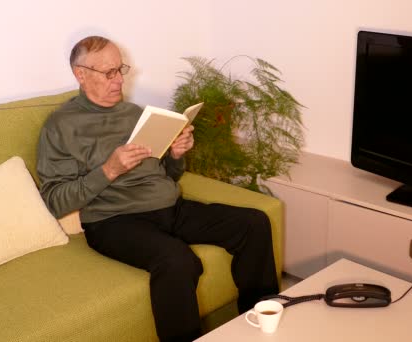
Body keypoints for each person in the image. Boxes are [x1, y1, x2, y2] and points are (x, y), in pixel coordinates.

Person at [37, 35, 279, 342]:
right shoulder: (60, 126)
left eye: (120, 69)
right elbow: (55, 202)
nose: (119, 80)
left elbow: (168, 174)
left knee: (253, 223)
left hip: (169, 209)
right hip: (114, 221)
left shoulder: (135, 114)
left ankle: (260, 325)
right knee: (177, 261)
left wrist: (177, 155)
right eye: (108, 73)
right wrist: (108, 170)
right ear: (80, 74)